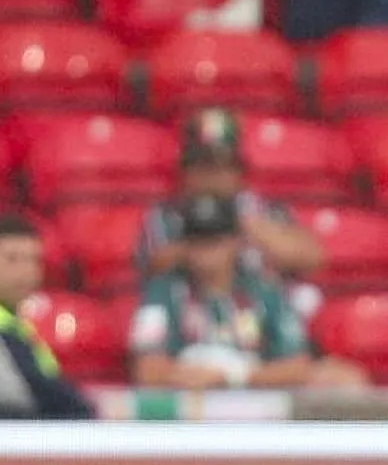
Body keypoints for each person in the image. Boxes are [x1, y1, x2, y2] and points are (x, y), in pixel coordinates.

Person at [129, 195, 364, 390]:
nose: (206, 251)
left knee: (343, 380)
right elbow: (147, 370)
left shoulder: (265, 291)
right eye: (197, 241)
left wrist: (232, 377)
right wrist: (188, 376)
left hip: (254, 406)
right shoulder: (161, 294)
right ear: (185, 245)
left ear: (236, 242)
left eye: (216, 240)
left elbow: (297, 365)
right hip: (189, 407)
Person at [135, 108, 324, 319]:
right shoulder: (164, 216)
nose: (212, 177)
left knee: (307, 297)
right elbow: (150, 269)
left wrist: (245, 225)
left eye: (222, 166)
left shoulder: (264, 210)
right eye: (202, 166)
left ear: (239, 171)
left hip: (261, 317)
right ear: (185, 171)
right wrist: (204, 241)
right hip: (188, 321)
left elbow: (311, 259)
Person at [0, 214, 94, 418]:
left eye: (34, 260)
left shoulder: (22, 327)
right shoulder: (6, 333)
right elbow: (43, 393)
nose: (26, 271)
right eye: (12, 259)